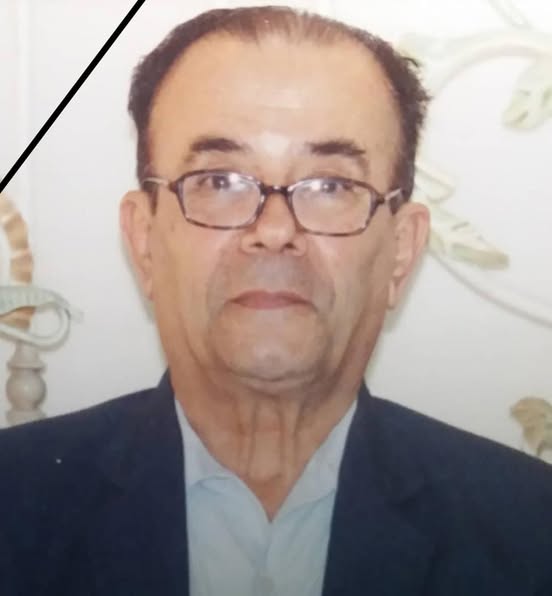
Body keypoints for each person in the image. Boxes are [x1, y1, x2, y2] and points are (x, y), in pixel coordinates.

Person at [1, 6, 551, 596]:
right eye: (219, 180)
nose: (274, 230)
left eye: (332, 185)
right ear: (143, 241)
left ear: (400, 251)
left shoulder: (532, 531)